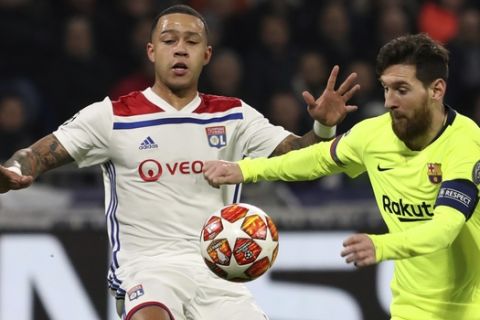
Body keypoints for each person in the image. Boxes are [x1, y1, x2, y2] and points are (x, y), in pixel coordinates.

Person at [0, 4, 360, 320]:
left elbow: (299, 157)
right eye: (170, 40)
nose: (180, 50)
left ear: (207, 54)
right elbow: (36, 154)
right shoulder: (112, 116)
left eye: (191, 41)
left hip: (218, 274)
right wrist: (15, 171)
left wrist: (323, 126)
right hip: (147, 271)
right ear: (151, 51)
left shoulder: (233, 115)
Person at [203, 33, 480, 320]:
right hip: (408, 309)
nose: (389, 102)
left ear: (436, 90)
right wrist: (245, 170)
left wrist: (381, 245)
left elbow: (445, 229)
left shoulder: (465, 142)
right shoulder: (373, 135)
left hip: (469, 310)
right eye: (386, 89)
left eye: (401, 90)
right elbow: (314, 160)